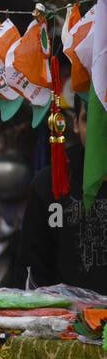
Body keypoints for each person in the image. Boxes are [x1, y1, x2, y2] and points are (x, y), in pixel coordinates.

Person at [20, 97, 107, 294]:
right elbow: (34, 269)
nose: (101, 129)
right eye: (90, 119)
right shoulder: (50, 184)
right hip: (68, 318)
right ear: (75, 124)